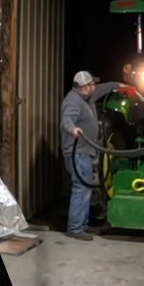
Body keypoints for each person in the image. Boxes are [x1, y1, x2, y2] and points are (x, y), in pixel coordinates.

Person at [60, 70, 125, 241]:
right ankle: (75, 228)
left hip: (86, 152)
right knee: (81, 188)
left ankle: (82, 225)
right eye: (92, 84)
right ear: (85, 87)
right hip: (77, 153)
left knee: (86, 189)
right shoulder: (73, 102)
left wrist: (118, 85)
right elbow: (66, 120)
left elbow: (103, 88)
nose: (95, 86)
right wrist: (73, 129)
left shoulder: (88, 96)